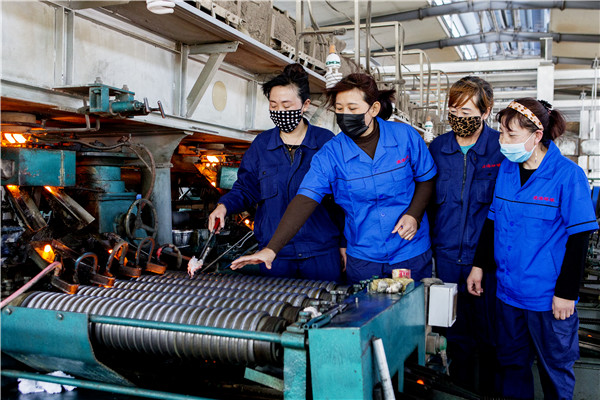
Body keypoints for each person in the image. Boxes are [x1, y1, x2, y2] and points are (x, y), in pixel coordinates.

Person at [229, 73, 437, 284]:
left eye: (353, 109)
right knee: (365, 305)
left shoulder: (405, 136)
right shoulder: (331, 153)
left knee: (412, 304)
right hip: (363, 256)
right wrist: (271, 249)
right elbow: (305, 200)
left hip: (410, 250)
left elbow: (426, 179)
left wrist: (414, 215)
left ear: (374, 109)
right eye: (339, 109)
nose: (345, 115)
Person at [467, 98, 599, 399]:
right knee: (512, 364)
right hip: (508, 292)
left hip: (547, 298)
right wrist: (479, 265)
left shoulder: (568, 175)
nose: (502, 141)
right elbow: (493, 222)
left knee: (555, 369)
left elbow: (579, 239)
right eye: (501, 133)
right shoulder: (507, 170)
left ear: (537, 135)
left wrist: (566, 293)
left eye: (511, 134)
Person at [192, 63, 344, 281]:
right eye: (273, 105)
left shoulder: (326, 142)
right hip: (274, 255)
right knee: (276, 303)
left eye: (286, 105)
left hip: (320, 252)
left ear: (305, 105)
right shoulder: (261, 145)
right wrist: (223, 206)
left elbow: (343, 199)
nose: (279, 111)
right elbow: (246, 189)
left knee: (326, 301)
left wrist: (344, 244)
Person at [428, 76, 503, 393]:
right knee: (452, 336)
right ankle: (459, 391)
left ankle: (488, 392)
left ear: (486, 112)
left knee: (489, 336)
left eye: (467, 111)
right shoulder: (437, 148)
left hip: (486, 262)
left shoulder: (500, 149)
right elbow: (427, 204)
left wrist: (483, 262)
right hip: (445, 260)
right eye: (454, 110)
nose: (459, 117)